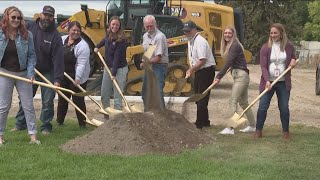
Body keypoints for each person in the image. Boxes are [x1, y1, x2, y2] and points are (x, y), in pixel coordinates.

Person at [13, 5, 64, 135]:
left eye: (50, 16)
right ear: (41, 14)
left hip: (48, 71)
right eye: (45, 14)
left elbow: (58, 59)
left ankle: (46, 126)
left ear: (53, 18)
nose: (47, 18)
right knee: (25, 97)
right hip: (30, 68)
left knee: (47, 100)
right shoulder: (30, 26)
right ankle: (20, 124)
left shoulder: (55, 36)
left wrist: (57, 80)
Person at [0, 6, 40, 144]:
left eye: (19, 18)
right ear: (7, 18)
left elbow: (32, 56)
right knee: (4, 106)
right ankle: (0, 136)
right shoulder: (0, 33)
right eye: (13, 17)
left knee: (28, 105)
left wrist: (30, 73)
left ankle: (33, 137)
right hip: (4, 72)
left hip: (23, 74)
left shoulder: (27, 35)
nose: (16, 20)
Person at [256, 23, 297, 139]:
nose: (273, 35)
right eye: (271, 33)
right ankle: (258, 131)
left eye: (275, 33)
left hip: (283, 82)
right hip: (268, 83)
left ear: (281, 33)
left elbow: (293, 57)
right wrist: (267, 80)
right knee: (262, 107)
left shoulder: (288, 46)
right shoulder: (265, 47)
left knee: (284, 107)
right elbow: (263, 66)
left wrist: (293, 61)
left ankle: (286, 132)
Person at [214, 26, 256, 135]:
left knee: (233, 101)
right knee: (243, 103)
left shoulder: (235, 45)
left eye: (229, 33)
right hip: (240, 75)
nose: (227, 35)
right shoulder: (229, 46)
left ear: (233, 35)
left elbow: (228, 62)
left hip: (241, 76)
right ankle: (253, 126)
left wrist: (218, 76)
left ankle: (230, 128)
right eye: (225, 33)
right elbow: (232, 63)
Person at [183, 20, 216, 129]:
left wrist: (191, 69)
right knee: (199, 97)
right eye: (185, 31)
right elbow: (194, 58)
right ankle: (205, 121)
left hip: (206, 71)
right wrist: (191, 69)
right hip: (199, 70)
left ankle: (199, 123)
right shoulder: (190, 40)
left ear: (194, 30)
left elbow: (202, 60)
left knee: (201, 97)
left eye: (188, 31)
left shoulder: (200, 41)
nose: (186, 33)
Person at [57, 21, 90, 128]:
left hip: (78, 76)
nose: (76, 32)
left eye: (78, 31)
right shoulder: (62, 40)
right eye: (73, 30)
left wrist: (77, 78)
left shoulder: (83, 46)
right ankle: (59, 122)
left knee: (78, 100)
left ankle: (82, 124)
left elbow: (81, 64)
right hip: (64, 75)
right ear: (69, 30)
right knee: (62, 99)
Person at [94, 16, 128, 113]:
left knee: (117, 96)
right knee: (104, 93)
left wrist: (113, 74)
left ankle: (117, 118)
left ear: (119, 26)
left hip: (119, 69)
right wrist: (97, 47)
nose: (115, 26)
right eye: (113, 24)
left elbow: (117, 58)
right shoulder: (108, 34)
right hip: (108, 67)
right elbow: (104, 41)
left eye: (117, 25)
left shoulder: (122, 39)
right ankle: (107, 114)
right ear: (110, 25)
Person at [140, 15, 168, 111]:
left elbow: (158, 58)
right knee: (145, 92)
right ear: (144, 26)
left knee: (158, 93)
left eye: (151, 26)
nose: (149, 28)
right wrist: (144, 61)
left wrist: (146, 62)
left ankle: (162, 116)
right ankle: (148, 114)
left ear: (155, 24)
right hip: (150, 66)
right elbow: (148, 53)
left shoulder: (160, 37)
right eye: (147, 26)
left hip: (159, 66)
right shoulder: (145, 36)